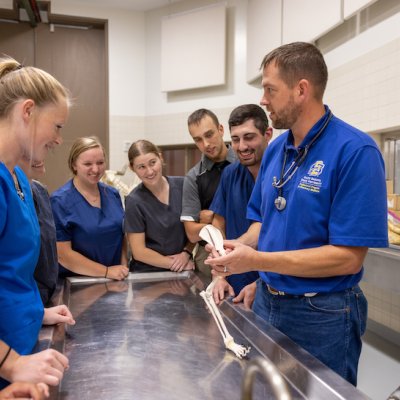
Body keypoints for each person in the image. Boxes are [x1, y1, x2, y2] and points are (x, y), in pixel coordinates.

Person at [205, 42, 388, 386]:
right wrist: (235, 250)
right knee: (267, 390)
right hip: (268, 301)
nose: (263, 99)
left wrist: (258, 261)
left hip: (322, 314)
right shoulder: (277, 149)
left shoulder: (355, 151)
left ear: (301, 90)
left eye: (270, 90)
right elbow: (264, 222)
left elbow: (347, 258)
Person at [0, 56, 75, 388]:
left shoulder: (18, 180)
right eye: (57, 126)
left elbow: (10, 272)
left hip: (22, 340)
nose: (59, 139)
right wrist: (11, 364)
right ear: (27, 111)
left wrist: (35, 313)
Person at [209, 104, 272, 307]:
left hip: (272, 285)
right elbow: (218, 222)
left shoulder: (283, 176)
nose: (242, 146)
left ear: (267, 134)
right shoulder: (231, 174)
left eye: (249, 137)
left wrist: (261, 284)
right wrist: (220, 274)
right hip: (234, 283)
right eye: (235, 139)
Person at [51, 136, 129, 280]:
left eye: (100, 162)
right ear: (74, 165)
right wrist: (106, 271)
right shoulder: (60, 201)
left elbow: (122, 236)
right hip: (78, 283)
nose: (96, 169)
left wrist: (123, 268)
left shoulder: (112, 194)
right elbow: (63, 255)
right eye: (88, 164)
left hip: (115, 280)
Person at [180, 109, 236, 277]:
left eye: (209, 134)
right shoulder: (193, 177)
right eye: (198, 139)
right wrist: (216, 224)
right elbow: (191, 233)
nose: (205, 144)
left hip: (250, 247)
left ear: (221, 129)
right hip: (210, 256)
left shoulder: (245, 164)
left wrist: (210, 220)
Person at [125, 140, 194, 273]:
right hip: (147, 276)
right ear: (132, 168)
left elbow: (194, 230)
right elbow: (139, 252)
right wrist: (177, 264)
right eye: (141, 167)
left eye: (153, 163)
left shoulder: (184, 186)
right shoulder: (134, 201)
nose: (149, 171)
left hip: (180, 270)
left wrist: (186, 253)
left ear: (160, 158)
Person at [18, 158, 58, 305]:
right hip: (22, 301)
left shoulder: (40, 190)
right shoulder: (9, 196)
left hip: (45, 294)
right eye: (27, 154)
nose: (38, 158)